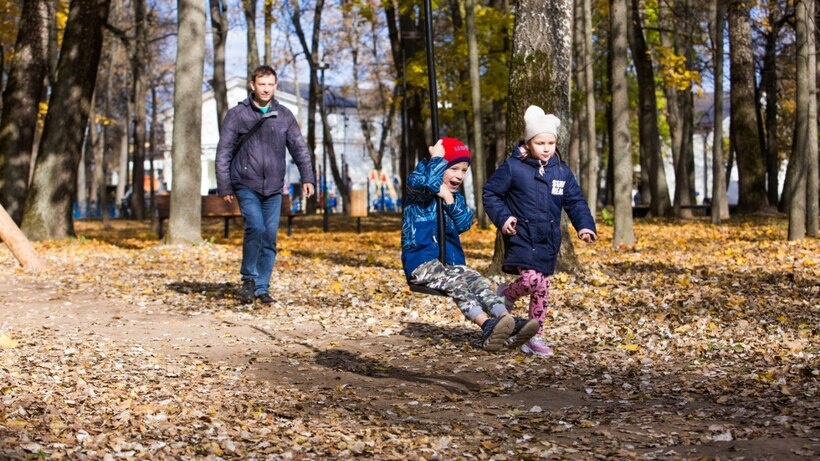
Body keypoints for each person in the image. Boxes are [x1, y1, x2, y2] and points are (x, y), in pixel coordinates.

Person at [401, 137, 540, 351]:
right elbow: (426, 183)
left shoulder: (454, 197)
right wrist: (436, 159)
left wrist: (448, 199)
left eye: (464, 170)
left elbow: (464, 223)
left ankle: (506, 319)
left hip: (450, 263)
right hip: (421, 261)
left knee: (478, 281)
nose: (459, 175)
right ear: (438, 166)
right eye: (453, 168)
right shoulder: (417, 186)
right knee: (457, 283)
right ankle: (486, 325)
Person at [483, 105, 597, 356]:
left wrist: (585, 225)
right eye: (540, 142)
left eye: (551, 142)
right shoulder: (514, 167)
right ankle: (506, 293)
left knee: (542, 289)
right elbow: (491, 194)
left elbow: (575, 201)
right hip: (521, 235)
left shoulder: (562, 171)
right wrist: (503, 219)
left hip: (547, 239)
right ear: (529, 142)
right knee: (532, 281)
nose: (546, 148)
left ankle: (533, 336)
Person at [216, 65, 315, 305]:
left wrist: (308, 177)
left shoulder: (284, 115)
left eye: (270, 84)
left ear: (275, 86)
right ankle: (249, 279)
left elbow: (300, 149)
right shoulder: (237, 115)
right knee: (256, 228)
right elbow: (224, 151)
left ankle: (262, 287)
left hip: (273, 187)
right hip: (245, 183)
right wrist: (225, 186)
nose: (266, 89)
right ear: (253, 86)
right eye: (262, 84)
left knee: (269, 236)